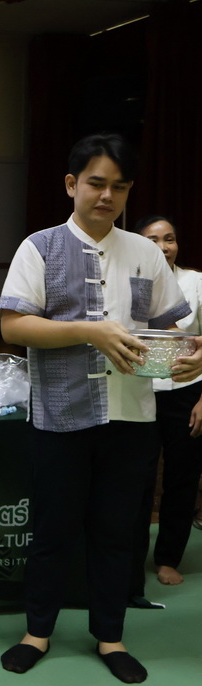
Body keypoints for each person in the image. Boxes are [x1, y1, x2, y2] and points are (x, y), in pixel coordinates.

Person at [0, 133, 202, 684]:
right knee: (52, 530)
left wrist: (191, 354)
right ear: (72, 185)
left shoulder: (145, 253)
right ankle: (37, 633)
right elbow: (13, 325)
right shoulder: (38, 247)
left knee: (117, 533)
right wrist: (90, 331)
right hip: (59, 416)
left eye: (120, 186)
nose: (107, 195)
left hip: (132, 417)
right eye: (96, 183)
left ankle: (110, 637)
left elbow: (171, 329)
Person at [130, 216, 202, 590]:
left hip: (187, 392)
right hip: (137, 390)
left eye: (169, 239)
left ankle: (168, 558)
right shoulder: (128, 282)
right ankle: (130, 560)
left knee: (182, 477)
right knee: (136, 478)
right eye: (153, 239)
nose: (163, 246)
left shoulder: (196, 282)